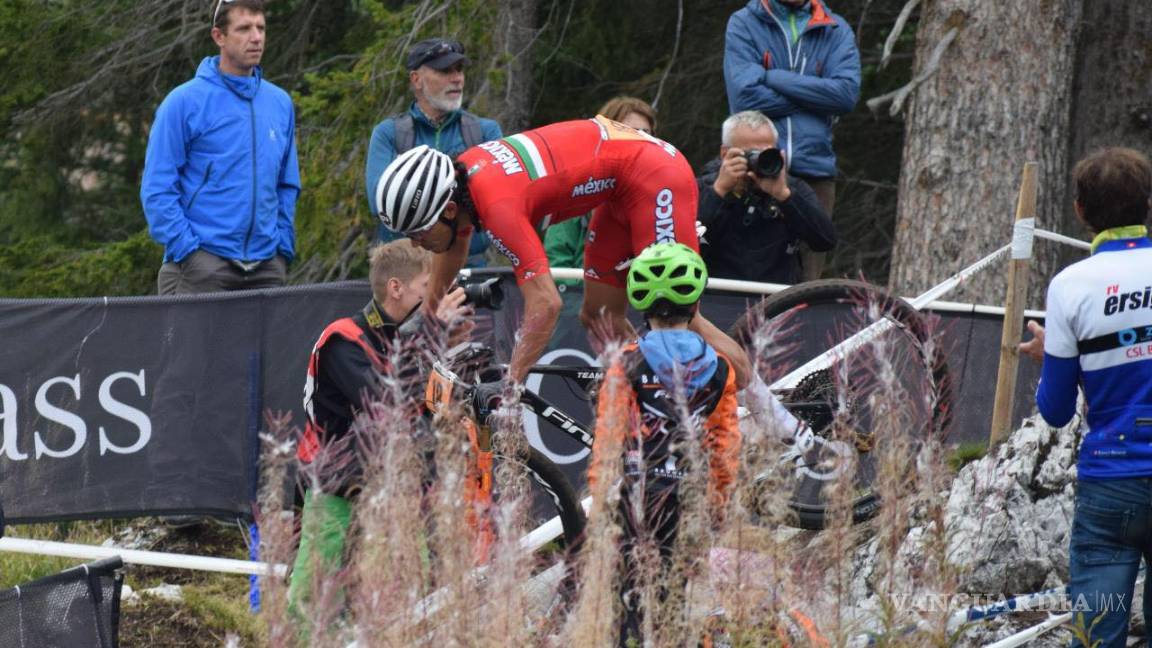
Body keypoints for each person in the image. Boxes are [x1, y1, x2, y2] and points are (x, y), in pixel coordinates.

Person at [372, 117, 753, 391]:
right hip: (619, 187)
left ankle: (771, 417)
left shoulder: (497, 206)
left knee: (680, 317)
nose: (417, 244)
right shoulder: (462, 185)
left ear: (449, 210)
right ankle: (655, 395)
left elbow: (546, 304)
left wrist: (510, 386)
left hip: (655, 177)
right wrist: (425, 324)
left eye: (419, 232)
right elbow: (451, 253)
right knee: (600, 315)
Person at [289, 240, 471, 614]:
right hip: (336, 484)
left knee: (409, 591)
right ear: (396, 288)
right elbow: (385, 403)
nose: (433, 298)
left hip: (395, 483)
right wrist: (432, 331)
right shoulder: (342, 339)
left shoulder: (411, 337)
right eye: (426, 288)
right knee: (314, 601)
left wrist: (447, 349)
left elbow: (433, 407)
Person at [1018, 147, 1152, 648]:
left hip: (1111, 478)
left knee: (1097, 631)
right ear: (1148, 204)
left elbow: (1054, 411)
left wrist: (1056, 356)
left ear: (1080, 210)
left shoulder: (1069, 286)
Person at [588, 242, 740, 645]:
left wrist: (600, 497)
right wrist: (719, 499)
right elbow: (724, 446)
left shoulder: (627, 362)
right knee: (677, 600)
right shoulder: (720, 367)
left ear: (643, 307)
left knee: (631, 602)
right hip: (689, 498)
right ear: (695, 305)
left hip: (637, 498)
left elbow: (608, 438)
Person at [141, 0, 300, 295]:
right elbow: (157, 188)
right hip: (201, 268)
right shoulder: (184, 102)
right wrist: (189, 252)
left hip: (266, 269)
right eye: (244, 29)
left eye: (261, 28)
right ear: (219, 36)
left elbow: (287, 184)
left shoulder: (279, 103)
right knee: (190, 345)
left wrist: (282, 249)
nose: (256, 37)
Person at [723, 0, 860, 281]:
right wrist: (814, 97)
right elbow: (745, 97)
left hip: (814, 171)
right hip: (751, 169)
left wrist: (771, 76)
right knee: (741, 273)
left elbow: (844, 95)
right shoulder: (744, 22)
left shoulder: (836, 29)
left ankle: (798, 326)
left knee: (808, 282)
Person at [364, 38, 503, 268]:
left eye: (459, 70)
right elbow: (378, 202)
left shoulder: (485, 131)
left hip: (469, 267)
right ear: (416, 79)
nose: (457, 78)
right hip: (406, 271)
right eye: (444, 71)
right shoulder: (389, 133)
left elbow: (497, 198)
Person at [698, 110, 835, 285]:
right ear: (725, 154)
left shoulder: (792, 189)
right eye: (750, 154)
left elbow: (825, 241)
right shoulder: (703, 187)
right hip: (716, 295)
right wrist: (719, 191)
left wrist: (784, 196)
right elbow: (682, 241)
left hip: (775, 300)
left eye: (766, 153)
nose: (758, 160)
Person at [544, 96, 658, 278]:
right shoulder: (579, 185)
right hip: (583, 297)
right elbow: (557, 259)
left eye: (647, 133)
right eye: (633, 131)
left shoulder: (660, 190)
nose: (641, 139)